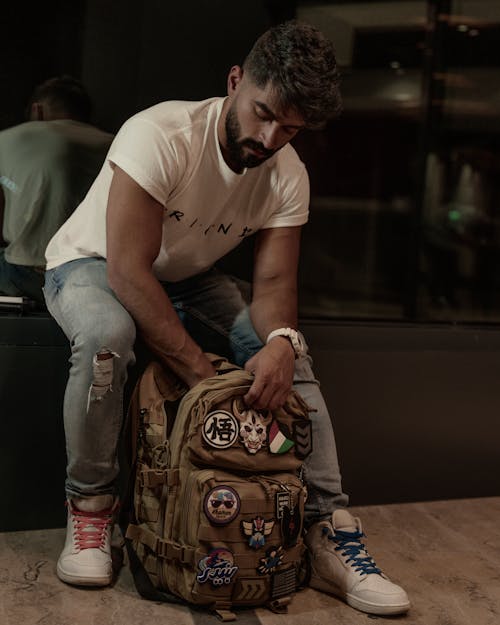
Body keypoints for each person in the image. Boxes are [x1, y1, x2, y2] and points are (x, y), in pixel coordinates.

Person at [44, 21, 410, 616]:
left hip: (190, 278)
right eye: (262, 113)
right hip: (93, 261)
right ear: (235, 81)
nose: (269, 137)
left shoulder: (288, 173)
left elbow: (271, 287)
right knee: (108, 337)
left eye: (288, 128)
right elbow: (130, 273)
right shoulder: (160, 133)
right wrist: (203, 376)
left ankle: (327, 529)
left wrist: (282, 343)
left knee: (290, 355)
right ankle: (88, 510)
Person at [0, 76, 113, 304]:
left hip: (25, 273)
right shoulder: (116, 142)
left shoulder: (8, 139)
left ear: (37, 110)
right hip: (95, 274)